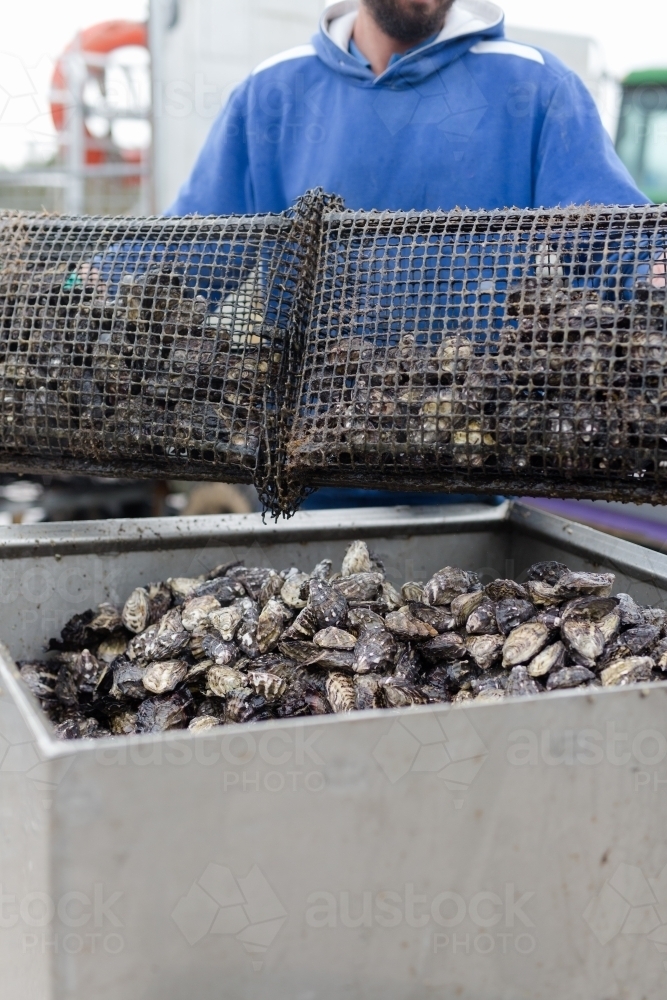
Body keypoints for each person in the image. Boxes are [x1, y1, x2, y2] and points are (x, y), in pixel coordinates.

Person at [169, 0, 648, 511]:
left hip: (467, 483)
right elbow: (188, 253)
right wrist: (82, 285)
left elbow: (615, 238)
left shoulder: (535, 86)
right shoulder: (272, 93)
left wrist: (654, 269)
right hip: (301, 485)